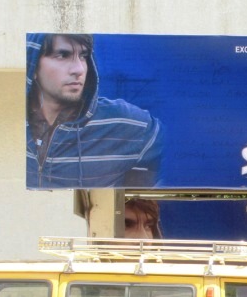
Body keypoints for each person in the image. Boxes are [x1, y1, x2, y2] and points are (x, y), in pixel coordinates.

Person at [26, 33, 164, 189]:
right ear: (33, 66)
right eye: (62, 55)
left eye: (84, 56)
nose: (79, 69)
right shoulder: (10, 121)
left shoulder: (126, 123)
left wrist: (134, 199)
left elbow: (170, 158)